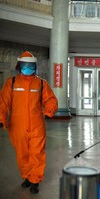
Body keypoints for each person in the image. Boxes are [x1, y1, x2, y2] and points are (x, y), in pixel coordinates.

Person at [0, 51, 58, 194]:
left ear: (35, 66)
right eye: (25, 65)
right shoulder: (11, 82)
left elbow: (50, 99)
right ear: (19, 66)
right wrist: (1, 118)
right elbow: (3, 102)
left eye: (31, 65)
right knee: (22, 153)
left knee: (37, 153)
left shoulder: (41, 84)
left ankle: (35, 180)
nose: (28, 67)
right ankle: (27, 176)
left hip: (37, 125)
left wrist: (50, 110)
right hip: (17, 125)